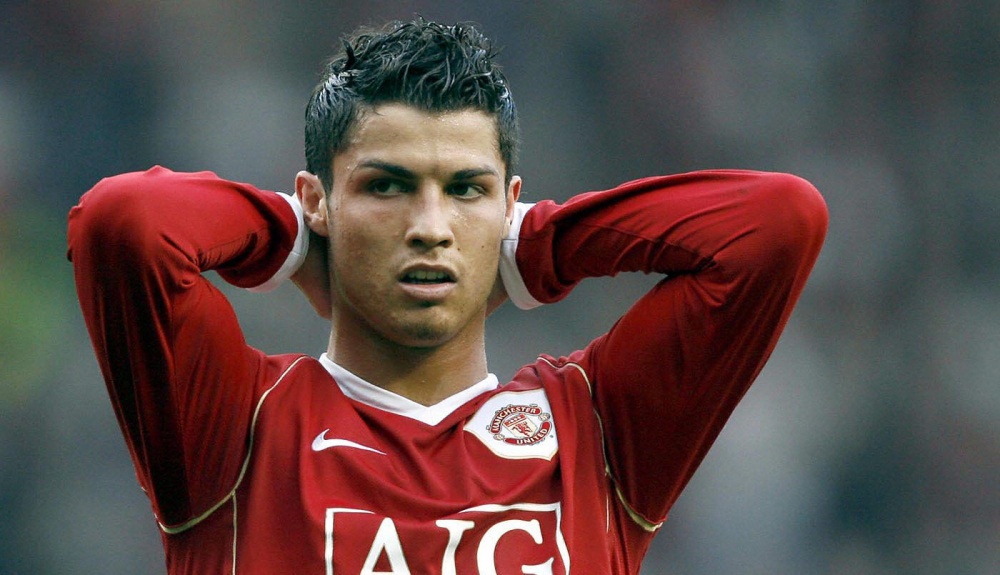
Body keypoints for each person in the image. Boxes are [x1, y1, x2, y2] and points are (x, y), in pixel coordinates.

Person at [68, 18, 827, 575]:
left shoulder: (595, 432)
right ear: (319, 200)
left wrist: (537, 246)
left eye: (465, 189)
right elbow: (127, 222)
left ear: (510, 205)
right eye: (386, 187)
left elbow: (776, 224)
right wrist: (292, 237)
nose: (430, 228)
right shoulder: (235, 430)